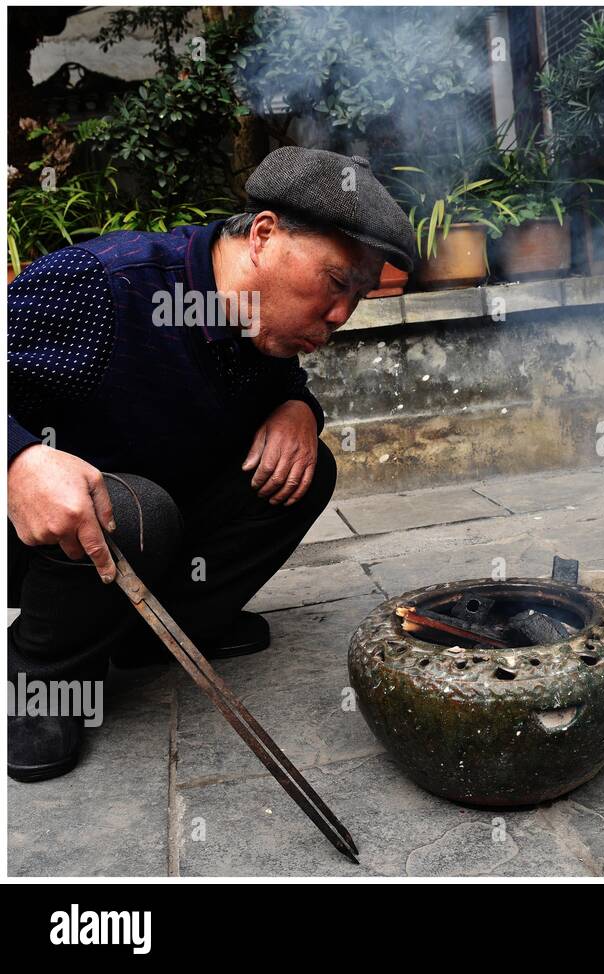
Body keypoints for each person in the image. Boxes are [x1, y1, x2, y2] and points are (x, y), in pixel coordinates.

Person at [7, 147, 417, 781]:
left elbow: (280, 382)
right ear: (263, 235)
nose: (340, 317)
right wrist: (20, 457)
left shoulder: (258, 324)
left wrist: (297, 407)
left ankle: (155, 635)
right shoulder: (102, 283)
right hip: (40, 531)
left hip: (144, 532)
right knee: (142, 509)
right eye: (336, 283)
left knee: (303, 474)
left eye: (359, 297)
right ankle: (41, 681)